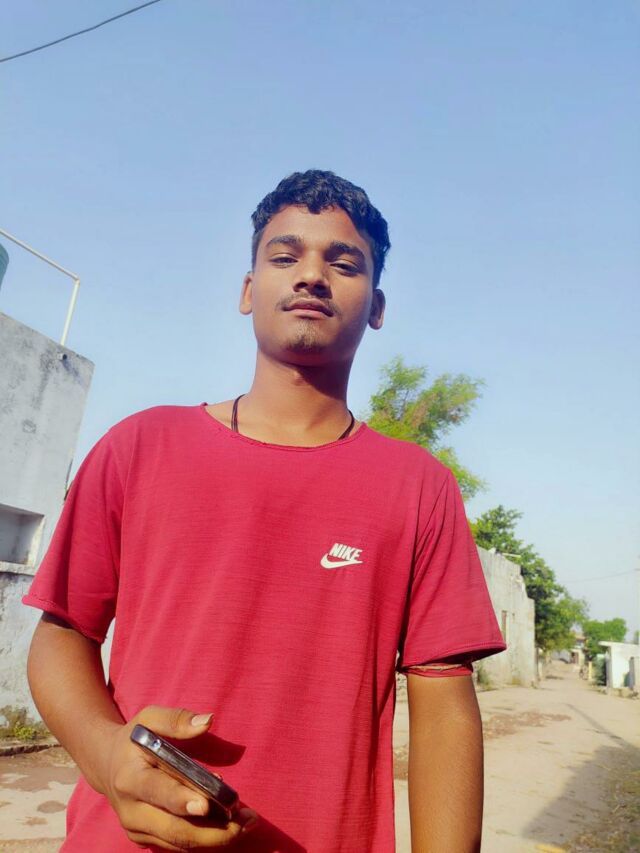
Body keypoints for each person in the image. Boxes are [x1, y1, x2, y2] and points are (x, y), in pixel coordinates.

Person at [24, 170, 506, 853]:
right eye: (285, 256)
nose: (311, 275)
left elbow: (445, 702)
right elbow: (62, 633)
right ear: (248, 290)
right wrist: (105, 756)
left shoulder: (419, 486)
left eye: (344, 263)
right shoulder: (141, 446)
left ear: (376, 305)